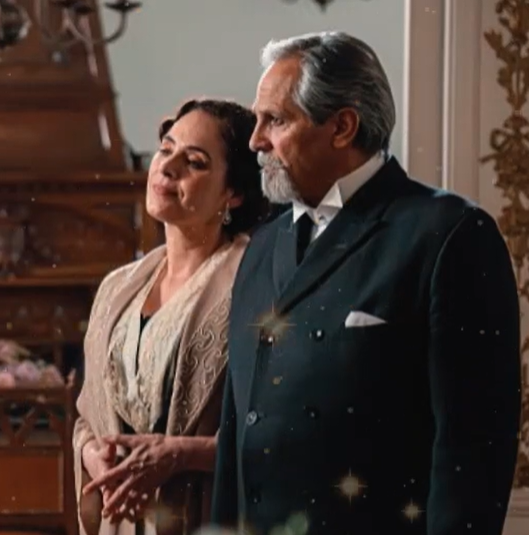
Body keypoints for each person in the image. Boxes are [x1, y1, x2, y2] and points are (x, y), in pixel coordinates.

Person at [211, 32, 521, 535]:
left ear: (342, 127)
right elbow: (236, 438)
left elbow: (473, 450)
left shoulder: (450, 235)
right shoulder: (262, 246)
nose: (256, 141)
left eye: (276, 120)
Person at [73, 98, 267, 535]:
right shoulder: (117, 287)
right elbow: (87, 415)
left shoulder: (255, 284)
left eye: (195, 162)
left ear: (233, 193)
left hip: (201, 516)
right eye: (165, 149)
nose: (168, 166)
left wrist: (179, 453)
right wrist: (92, 453)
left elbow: (276, 432)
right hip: (121, 520)